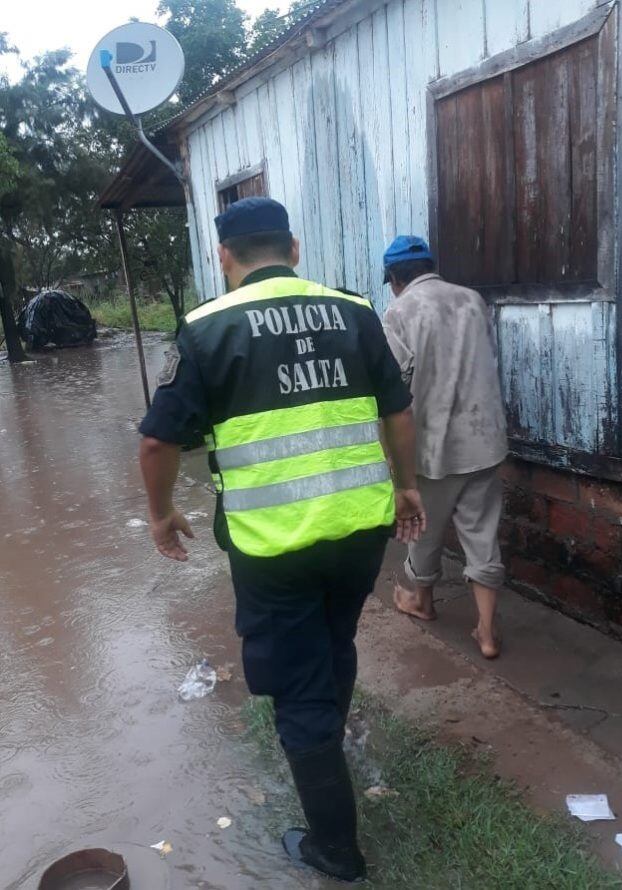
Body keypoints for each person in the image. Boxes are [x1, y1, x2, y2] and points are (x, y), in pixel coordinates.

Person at [138, 198, 426, 884]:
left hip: (275, 547)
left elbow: (156, 440)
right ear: (294, 249)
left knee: (298, 689)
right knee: (336, 643)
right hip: (360, 531)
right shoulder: (354, 310)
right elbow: (399, 411)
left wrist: (159, 514)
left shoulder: (207, 329)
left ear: (224, 258)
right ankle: (329, 738)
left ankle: (337, 851)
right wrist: (407, 487)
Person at [382, 236, 508, 659]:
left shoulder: (399, 312)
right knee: (482, 533)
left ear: (395, 279)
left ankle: (422, 601)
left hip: (432, 446)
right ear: (429, 265)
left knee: (422, 529)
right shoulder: (473, 302)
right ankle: (487, 633)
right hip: (484, 441)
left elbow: (392, 388)